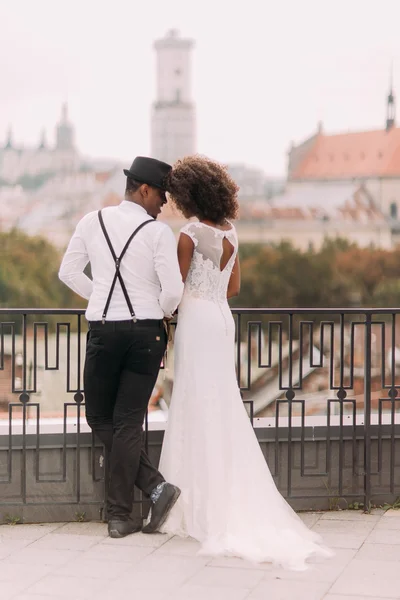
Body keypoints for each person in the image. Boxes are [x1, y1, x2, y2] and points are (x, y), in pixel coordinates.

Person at [155, 155, 332, 570]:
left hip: (196, 319)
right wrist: (209, 293)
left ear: (189, 195)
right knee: (221, 401)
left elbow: (176, 288)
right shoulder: (231, 233)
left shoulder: (188, 234)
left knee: (195, 401)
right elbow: (233, 287)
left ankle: (193, 499)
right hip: (220, 319)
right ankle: (224, 494)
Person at [59, 156, 184, 538]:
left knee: (100, 417)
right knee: (127, 420)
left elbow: (67, 272)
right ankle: (153, 490)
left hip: (103, 331)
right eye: (162, 194)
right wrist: (154, 312)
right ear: (144, 189)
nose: (164, 203)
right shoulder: (157, 232)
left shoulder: (90, 221)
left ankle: (121, 515)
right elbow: (174, 291)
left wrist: (102, 297)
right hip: (146, 334)